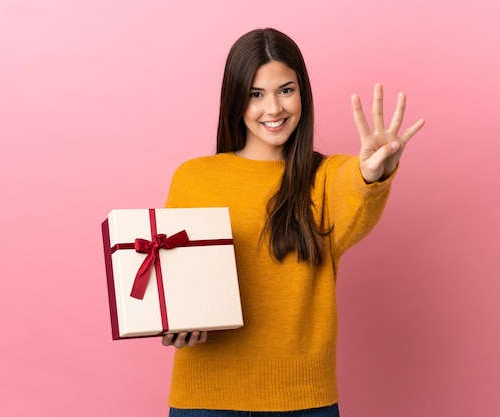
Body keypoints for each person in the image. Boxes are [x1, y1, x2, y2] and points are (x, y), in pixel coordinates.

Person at [162, 28, 424, 416]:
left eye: (286, 90)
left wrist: (371, 173)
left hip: (303, 401)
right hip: (204, 399)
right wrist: (173, 326)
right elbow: (170, 283)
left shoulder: (324, 177)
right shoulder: (193, 178)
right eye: (256, 94)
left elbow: (353, 194)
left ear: (303, 92)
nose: (273, 109)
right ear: (235, 99)